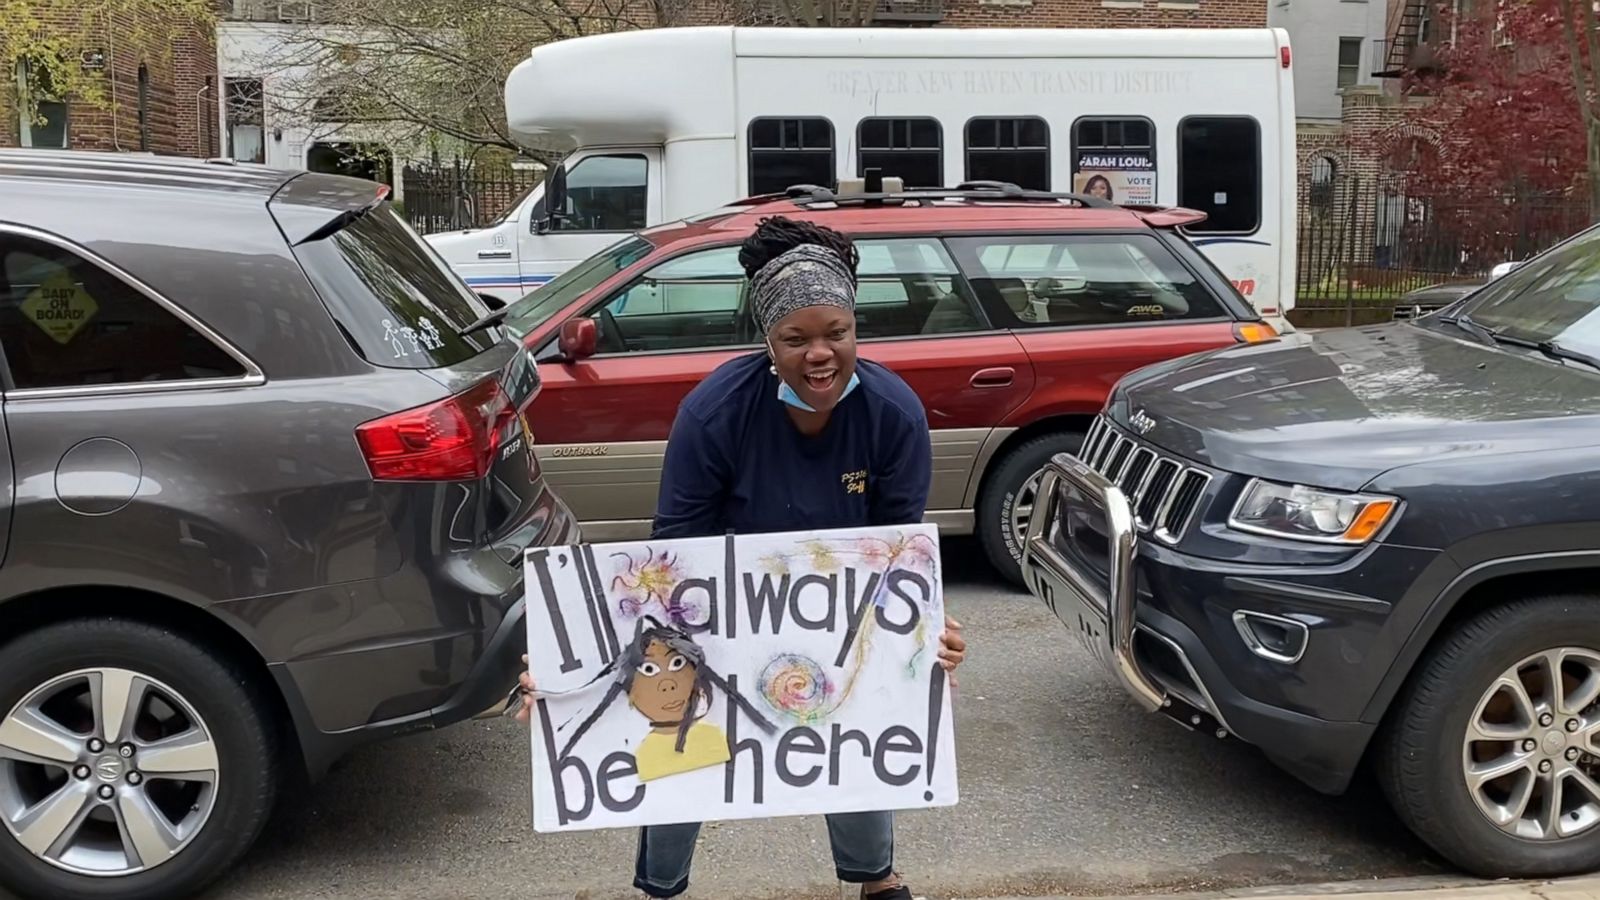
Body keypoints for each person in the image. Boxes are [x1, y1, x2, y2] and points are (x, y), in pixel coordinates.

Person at [516, 215, 968, 900]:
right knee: (676, 731)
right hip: (718, 618)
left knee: (859, 723)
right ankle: (660, 886)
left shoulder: (893, 414)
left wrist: (926, 636)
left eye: (836, 333)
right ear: (769, 340)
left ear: (855, 329)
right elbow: (666, 562)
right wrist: (569, 665)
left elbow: (898, 562)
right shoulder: (715, 413)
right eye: (796, 338)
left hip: (830, 620)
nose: (820, 354)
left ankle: (877, 880)